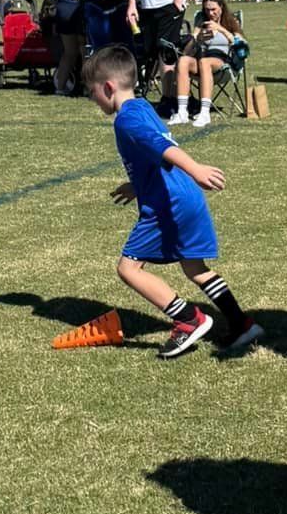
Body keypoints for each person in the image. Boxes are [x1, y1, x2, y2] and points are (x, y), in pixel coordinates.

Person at [82, 44, 262, 359]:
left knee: (129, 268)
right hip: (184, 196)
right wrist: (136, 186)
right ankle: (242, 324)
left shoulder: (126, 120)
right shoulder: (142, 107)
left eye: (92, 91)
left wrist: (196, 169)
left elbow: (163, 146)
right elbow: (154, 155)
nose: (92, 98)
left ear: (108, 87)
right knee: (194, 267)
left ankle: (189, 320)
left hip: (169, 202)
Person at [169, 0, 241, 127]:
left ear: (221, 7)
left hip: (223, 62)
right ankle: (182, 112)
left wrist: (221, 29)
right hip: (203, 59)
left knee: (204, 62)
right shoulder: (201, 21)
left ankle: (205, 113)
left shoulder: (230, 21)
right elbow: (187, 50)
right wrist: (197, 39)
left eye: (213, 9)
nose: (210, 13)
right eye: (207, 9)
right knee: (183, 61)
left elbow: (242, 45)